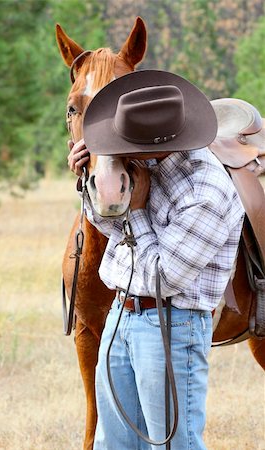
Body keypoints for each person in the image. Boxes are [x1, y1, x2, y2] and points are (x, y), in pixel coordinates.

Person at [67, 70, 244, 450]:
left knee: (171, 444)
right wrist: (89, 182)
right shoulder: (144, 163)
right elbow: (110, 224)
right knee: (114, 442)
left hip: (171, 325)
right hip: (121, 316)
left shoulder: (206, 192)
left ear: (159, 143)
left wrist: (138, 210)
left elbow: (163, 276)